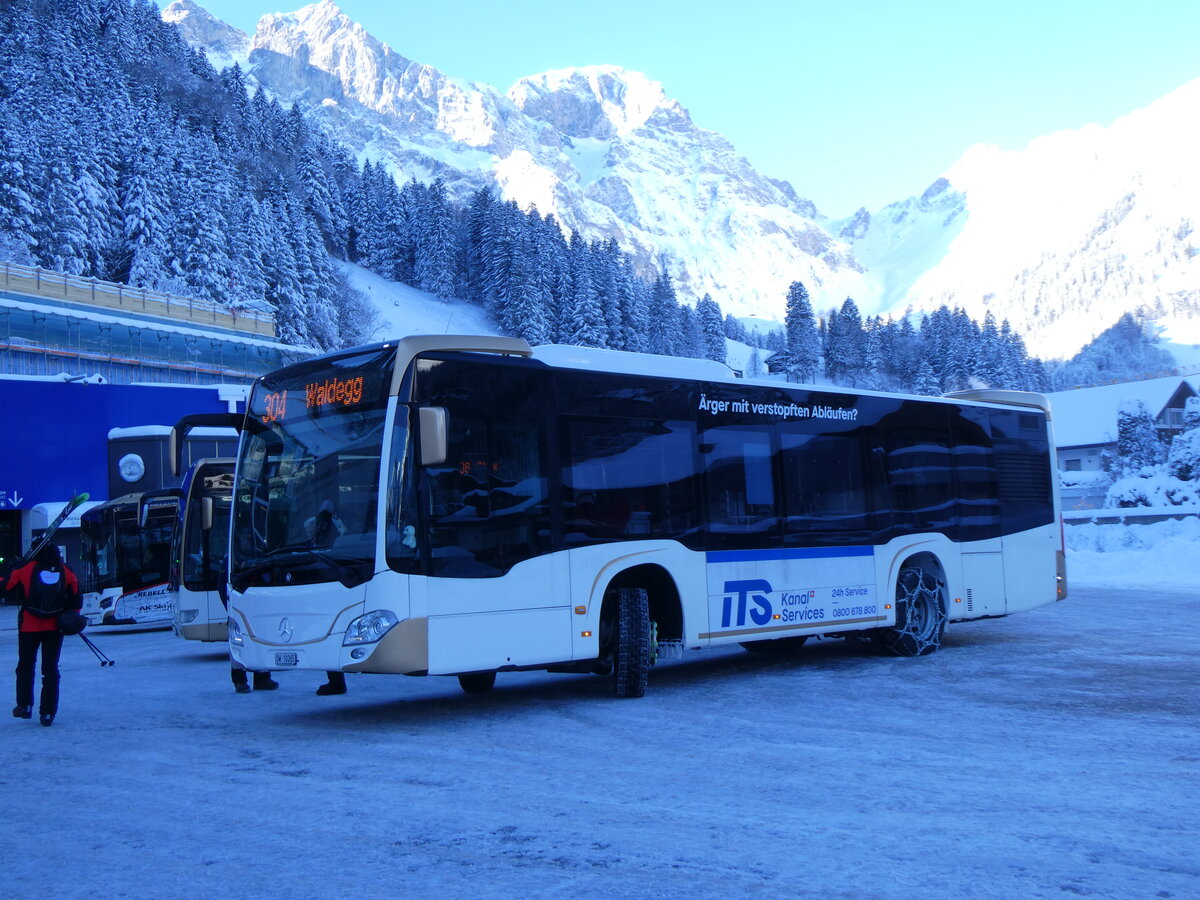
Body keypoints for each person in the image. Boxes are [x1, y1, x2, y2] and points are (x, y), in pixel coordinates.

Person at [7, 544, 81, 726]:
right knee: (50, 669)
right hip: (55, 626)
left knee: (25, 665)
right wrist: (71, 615)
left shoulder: (26, 568)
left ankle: (24, 705)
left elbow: (6, 586)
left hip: (29, 626)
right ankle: (48, 713)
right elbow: (76, 597)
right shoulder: (65, 570)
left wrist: (12, 568)